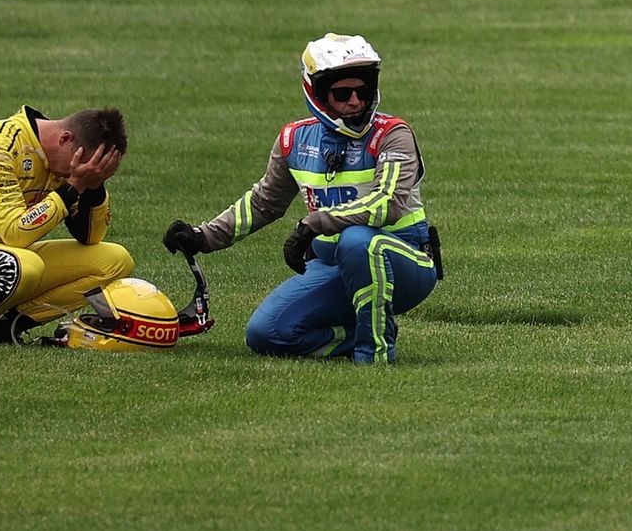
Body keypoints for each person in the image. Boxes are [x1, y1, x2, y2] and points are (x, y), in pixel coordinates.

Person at [163, 33, 441, 364]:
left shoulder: (393, 134)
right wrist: (203, 236)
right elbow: (263, 203)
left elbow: (388, 203)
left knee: (357, 242)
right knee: (266, 334)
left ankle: (376, 353)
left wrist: (314, 223)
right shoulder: (293, 140)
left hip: (405, 261)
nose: (355, 100)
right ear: (318, 94)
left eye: (363, 90)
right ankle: (351, 340)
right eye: (342, 93)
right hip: (334, 263)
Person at [0, 105, 134, 344]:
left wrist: (94, 185)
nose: (80, 171)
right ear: (65, 139)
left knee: (115, 261)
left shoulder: (65, 158)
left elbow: (90, 237)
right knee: (23, 266)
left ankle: (4, 329)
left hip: (12, 260)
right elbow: (15, 233)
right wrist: (74, 186)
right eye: (85, 165)